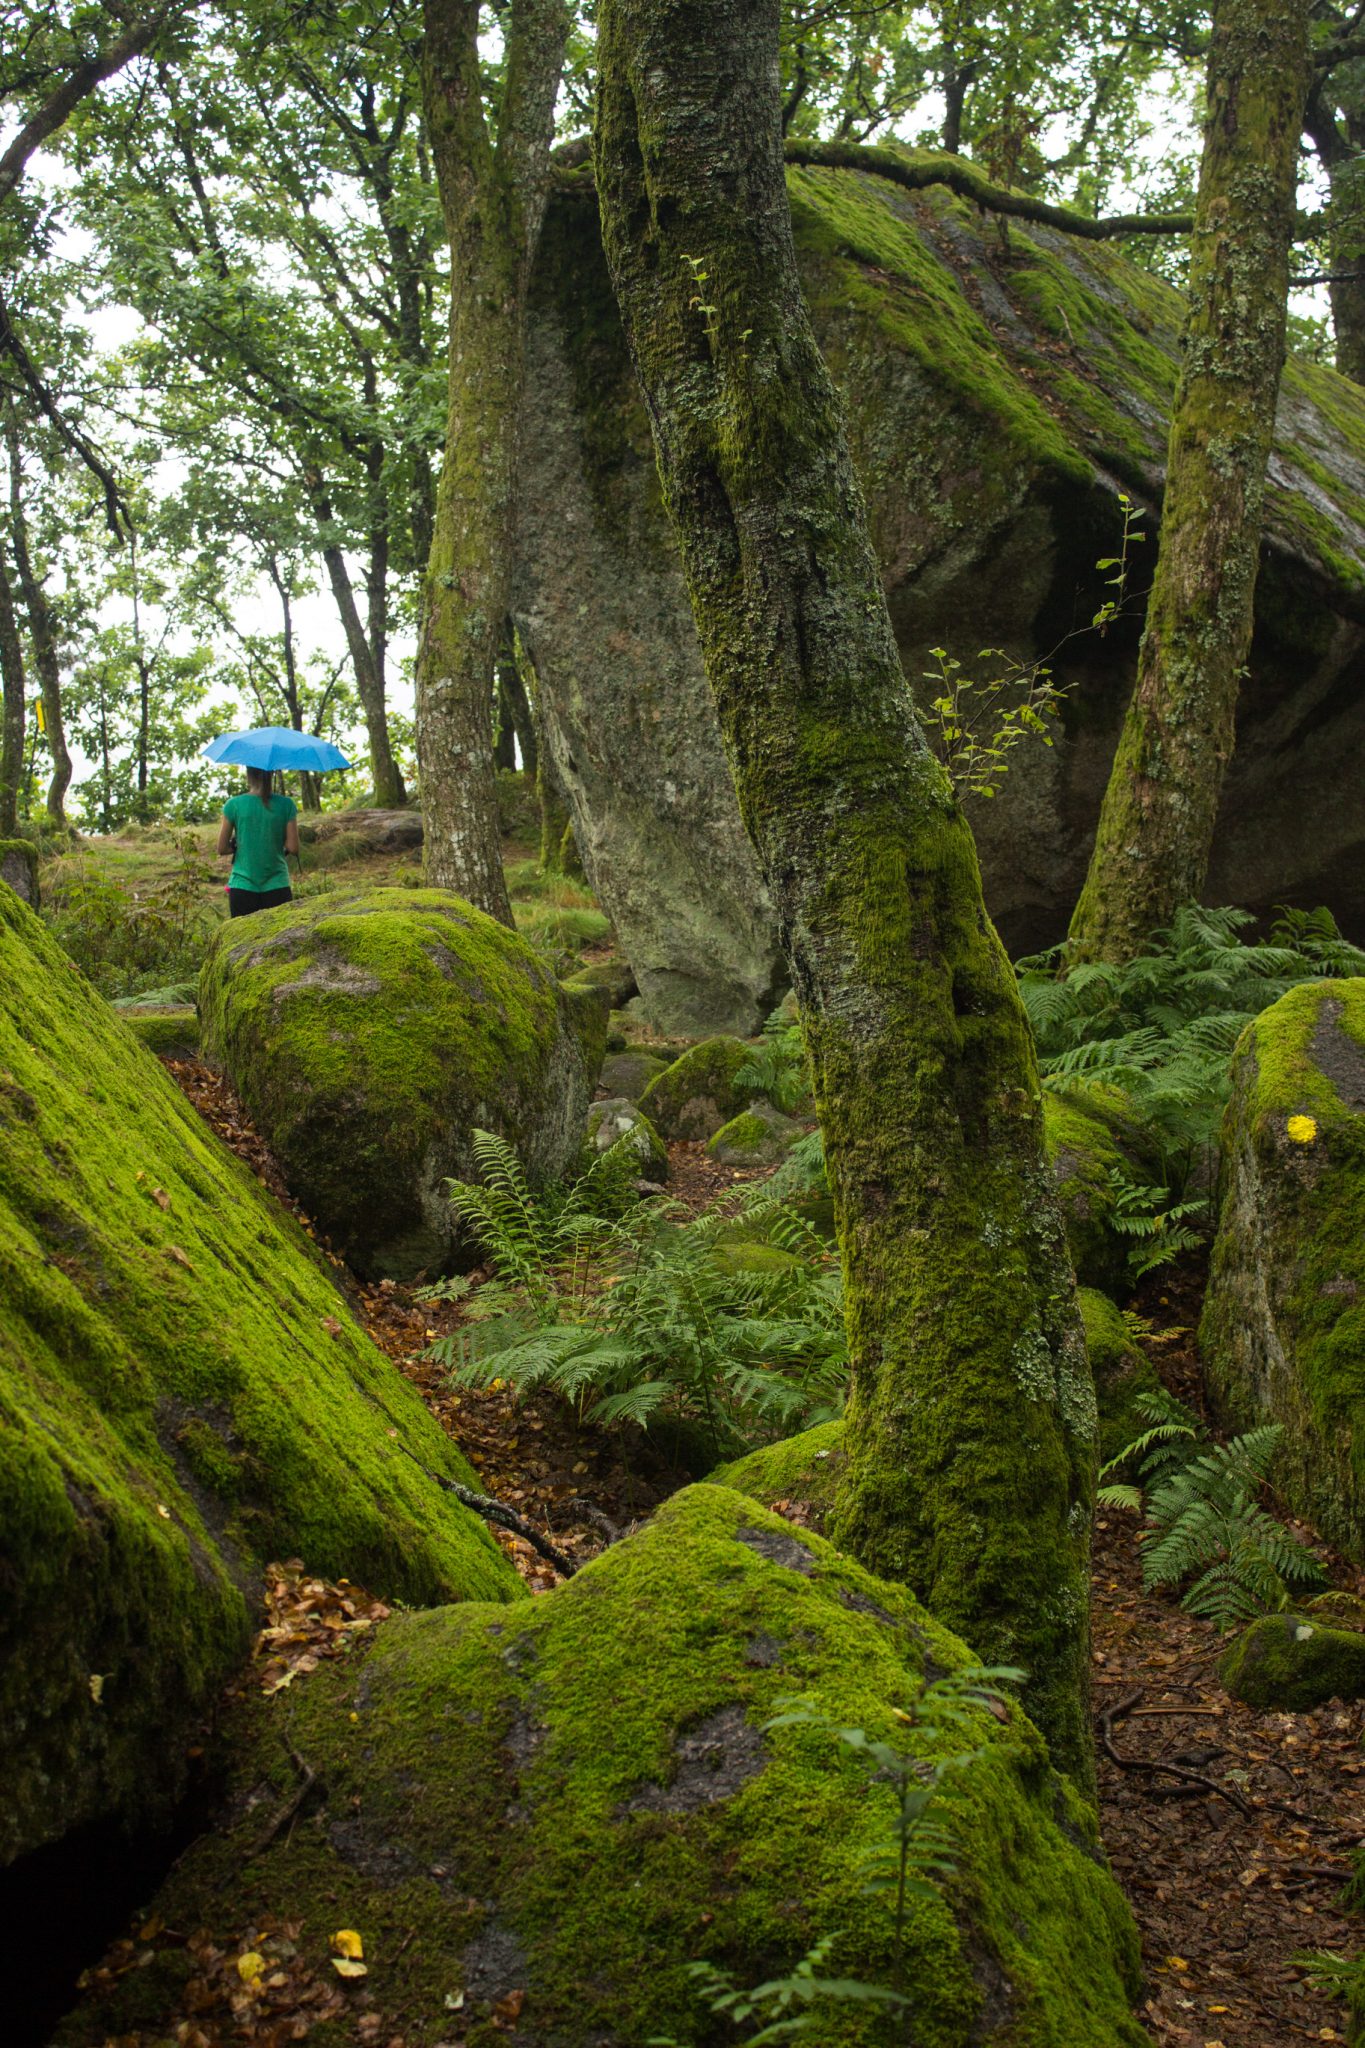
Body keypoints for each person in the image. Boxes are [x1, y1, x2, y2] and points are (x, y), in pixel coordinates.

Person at [217, 766, 300, 917]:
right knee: (280, 939)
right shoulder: (286, 805)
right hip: (277, 885)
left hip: (242, 886)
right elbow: (293, 848)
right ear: (272, 773)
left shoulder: (233, 805)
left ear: (248, 775)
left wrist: (238, 847)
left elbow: (222, 848)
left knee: (244, 939)